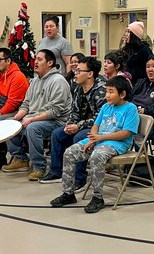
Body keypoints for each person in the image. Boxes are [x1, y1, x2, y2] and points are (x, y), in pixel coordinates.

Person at [49, 75, 140, 214]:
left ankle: (98, 197)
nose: (107, 95)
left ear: (122, 94)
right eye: (106, 91)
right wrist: (92, 140)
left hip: (117, 143)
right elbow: (95, 126)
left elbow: (126, 133)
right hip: (98, 139)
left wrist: (99, 138)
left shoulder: (131, 109)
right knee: (69, 153)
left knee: (97, 156)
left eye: (111, 92)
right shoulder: (105, 107)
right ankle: (68, 193)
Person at [3, 49, 72, 181]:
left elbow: (55, 111)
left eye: (40, 59)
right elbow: (26, 104)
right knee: (9, 123)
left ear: (50, 63)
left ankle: (39, 167)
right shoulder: (35, 81)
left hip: (57, 120)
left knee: (33, 128)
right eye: (35, 59)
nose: (35, 62)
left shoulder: (58, 81)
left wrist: (31, 119)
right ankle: (21, 159)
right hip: (35, 117)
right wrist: (16, 118)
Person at [39, 56, 106, 185]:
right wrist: (70, 124)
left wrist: (78, 126)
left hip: (99, 128)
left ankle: (80, 178)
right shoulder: (78, 88)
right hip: (82, 125)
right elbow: (74, 111)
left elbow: (100, 118)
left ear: (90, 74)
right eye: (75, 70)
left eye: (79, 71)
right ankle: (56, 172)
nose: (75, 73)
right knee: (57, 134)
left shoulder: (101, 90)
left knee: (79, 137)